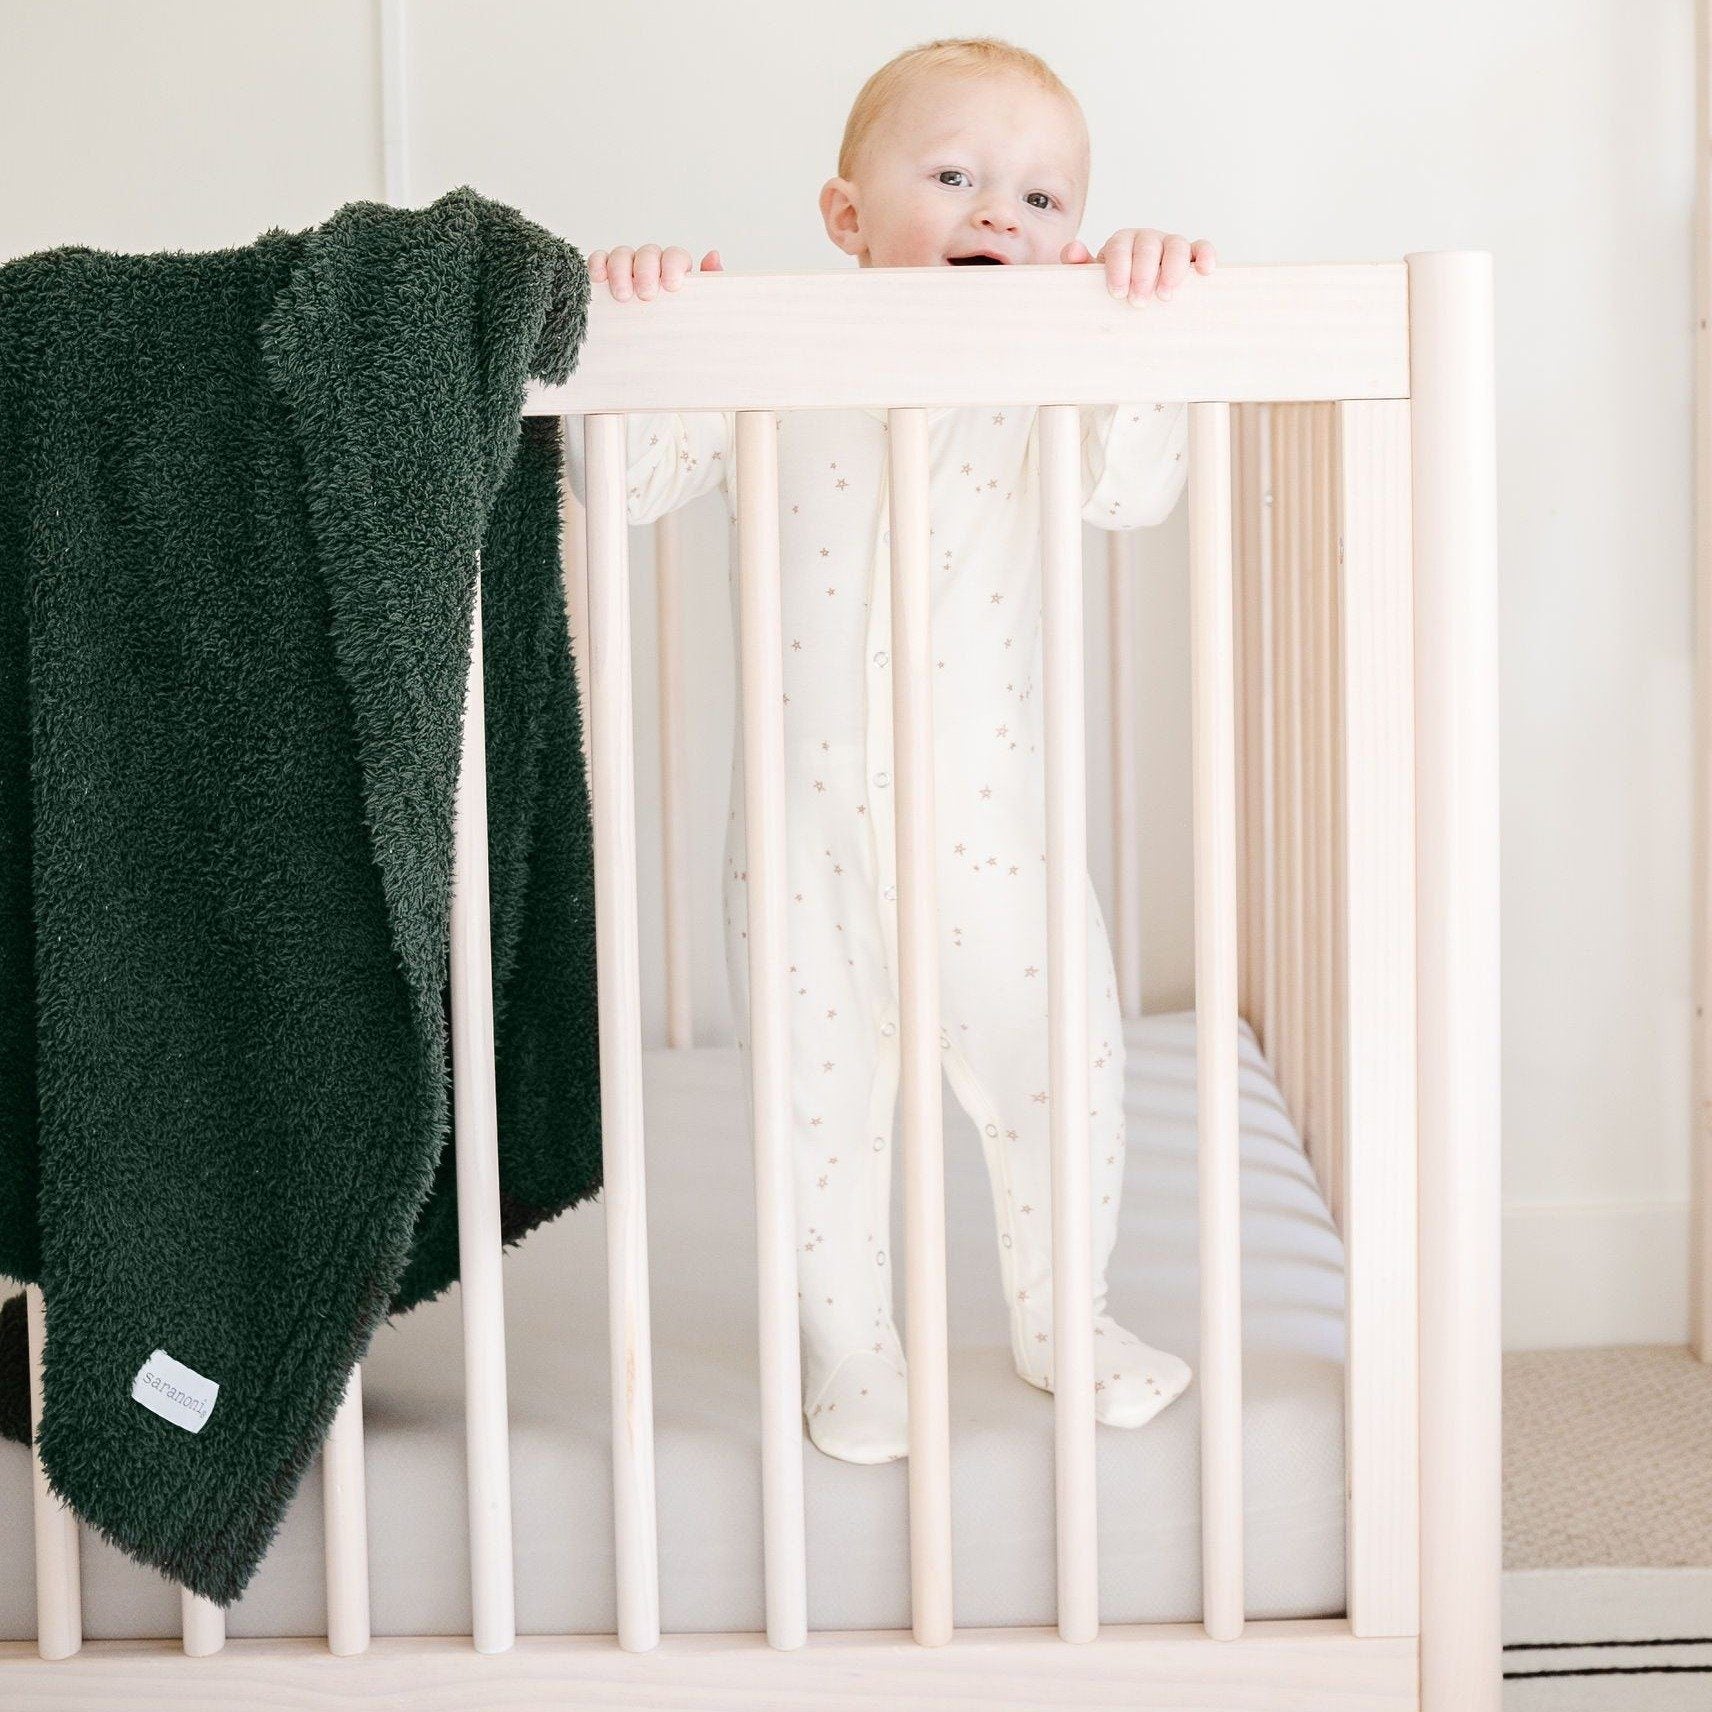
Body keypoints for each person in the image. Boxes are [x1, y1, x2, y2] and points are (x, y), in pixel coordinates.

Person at [566, 35, 1217, 1464]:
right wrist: (648, 323)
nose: (1004, 214)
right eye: (955, 175)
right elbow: (625, 478)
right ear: (847, 219)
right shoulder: (770, 363)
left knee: (1067, 1073)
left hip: (1002, 844)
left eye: (1047, 201)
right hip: (804, 851)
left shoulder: (1054, 376)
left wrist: (1144, 326)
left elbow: (1141, 485)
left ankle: (1068, 1316)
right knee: (817, 1107)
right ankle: (850, 1344)